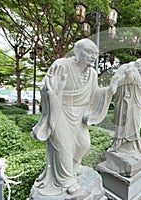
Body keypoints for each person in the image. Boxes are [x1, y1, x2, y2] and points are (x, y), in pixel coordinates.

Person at [30, 38, 115, 196]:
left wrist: (109, 90)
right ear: (77, 51)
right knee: (64, 147)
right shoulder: (61, 65)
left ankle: (74, 166)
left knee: (84, 144)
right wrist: (52, 89)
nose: (93, 56)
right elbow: (46, 85)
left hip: (79, 113)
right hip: (60, 110)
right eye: (89, 52)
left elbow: (94, 94)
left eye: (95, 54)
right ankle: (65, 180)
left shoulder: (92, 73)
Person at [108, 58, 141, 153]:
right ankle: (119, 144)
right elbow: (115, 84)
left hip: (135, 104)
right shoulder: (125, 68)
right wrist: (126, 78)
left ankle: (135, 145)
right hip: (123, 103)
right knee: (122, 122)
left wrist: (132, 79)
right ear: (139, 65)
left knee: (136, 124)